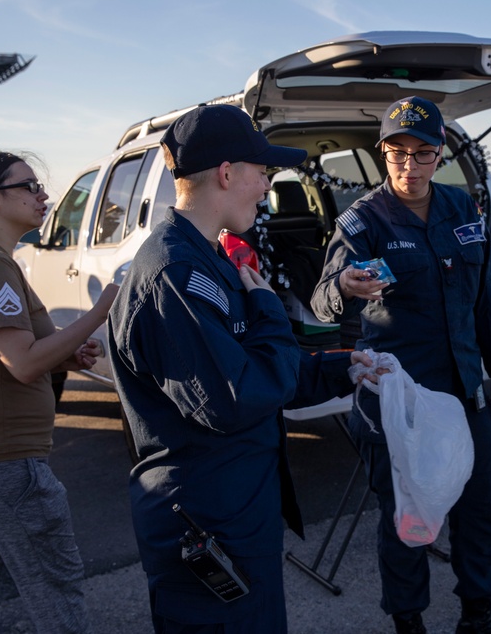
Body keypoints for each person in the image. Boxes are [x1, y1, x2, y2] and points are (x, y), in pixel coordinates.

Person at [107, 104, 380, 634]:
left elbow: (257, 371)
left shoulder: (206, 258)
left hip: (236, 511)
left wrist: (345, 368)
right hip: (207, 518)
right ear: (227, 173)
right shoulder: (176, 276)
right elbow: (236, 399)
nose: (267, 189)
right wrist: (270, 312)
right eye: (264, 174)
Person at [310, 95, 491, 634]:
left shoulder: (461, 208)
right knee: (407, 515)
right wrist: (343, 286)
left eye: (421, 153)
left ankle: (478, 616)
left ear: (439, 154)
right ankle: (408, 621)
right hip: (399, 396)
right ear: (383, 154)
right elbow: (321, 298)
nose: (409, 165)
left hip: (465, 389)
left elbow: (488, 297)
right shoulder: (364, 220)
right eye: (396, 153)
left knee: (480, 507)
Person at [0, 151, 119, 633]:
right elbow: (22, 364)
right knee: (56, 584)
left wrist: (63, 353)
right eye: (30, 186)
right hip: (0, 462)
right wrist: (99, 313)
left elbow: (12, 354)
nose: (44, 196)